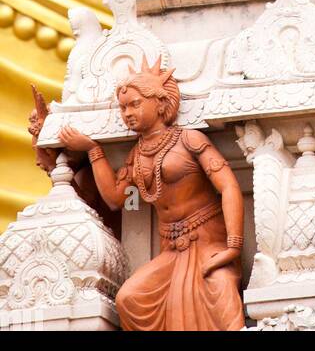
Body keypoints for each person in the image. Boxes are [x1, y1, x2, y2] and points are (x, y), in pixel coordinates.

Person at [58, 57, 245, 331]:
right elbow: (117, 199)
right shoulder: (136, 156)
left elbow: (228, 185)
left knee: (221, 288)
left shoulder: (189, 139)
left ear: (159, 102)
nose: (127, 113)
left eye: (135, 104)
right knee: (128, 298)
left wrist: (234, 246)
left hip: (209, 242)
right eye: (122, 108)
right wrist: (93, 149)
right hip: (171, 251)